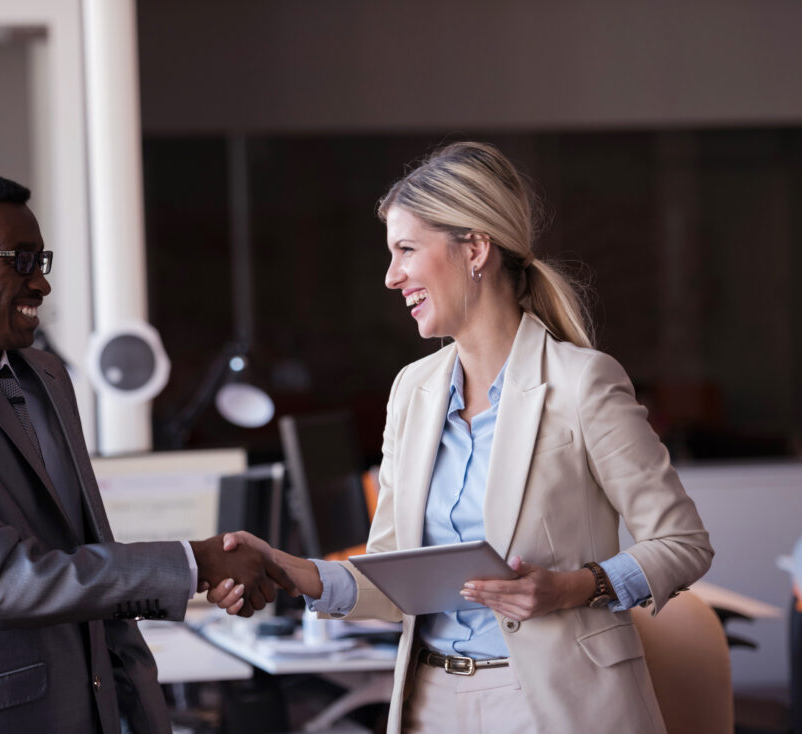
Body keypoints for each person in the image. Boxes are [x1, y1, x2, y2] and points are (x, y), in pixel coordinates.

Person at [213, 142, 714, 733]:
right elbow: (394, 578)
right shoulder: (413, 390)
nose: (391, 276)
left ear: (475, 249)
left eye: (406, 250)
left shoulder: (582, 382)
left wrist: (575, 587)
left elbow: (683, 542)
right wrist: (293, 570)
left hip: (548, 705)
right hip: (430, 701)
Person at [0, 170, 293, 733]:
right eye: (19, 261)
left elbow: (88, 548)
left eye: (42, 261)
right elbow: (3, 586)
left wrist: (139, 704)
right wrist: (193, 562)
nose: (41, 284)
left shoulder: (45, 374)